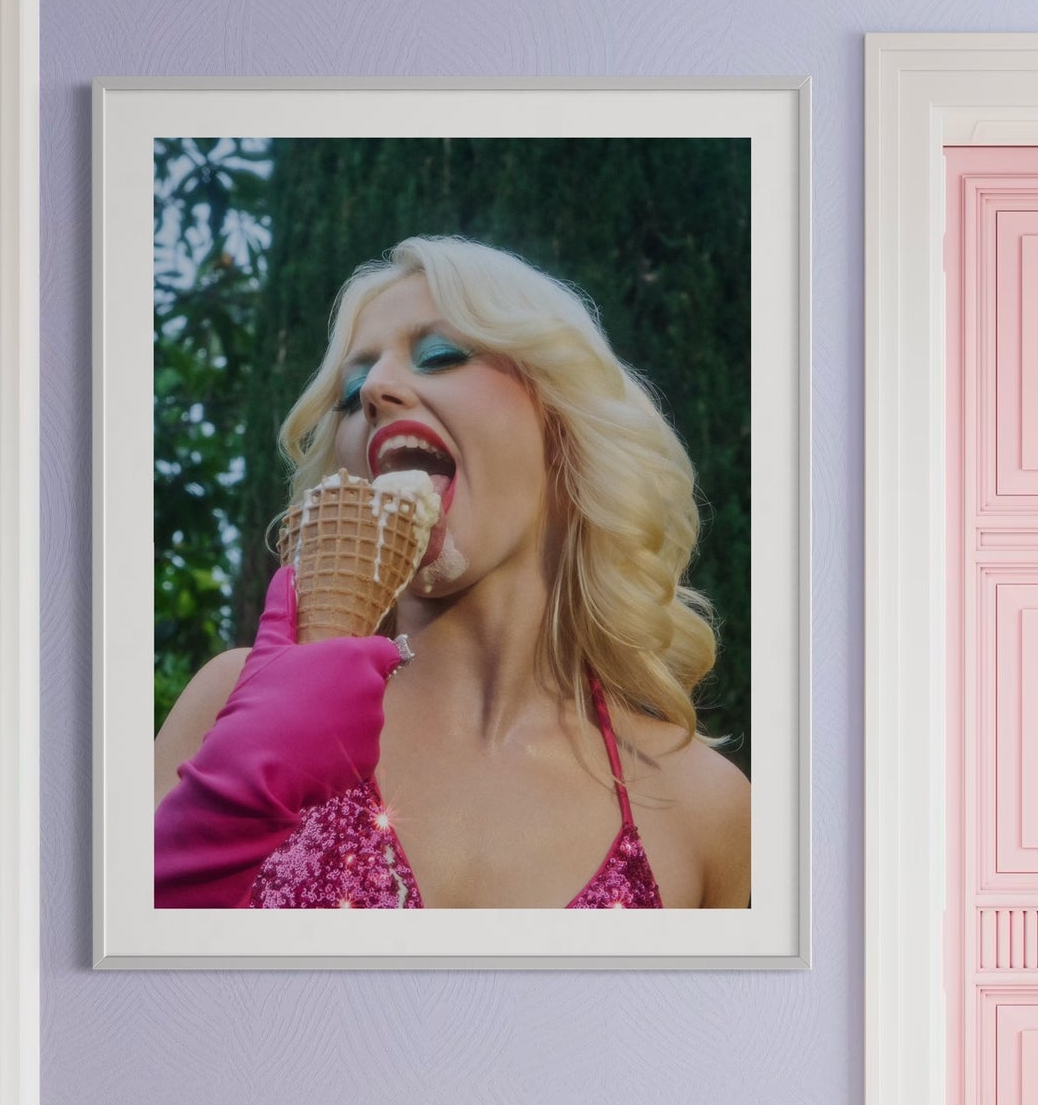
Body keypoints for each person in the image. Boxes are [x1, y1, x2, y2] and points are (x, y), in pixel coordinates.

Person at [152, 235, 751, 910]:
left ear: (563, 425)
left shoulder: (706, 804)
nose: (375, 389)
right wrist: (233, 791)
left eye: (439, 355)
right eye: (350, 393)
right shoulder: (228, 704)